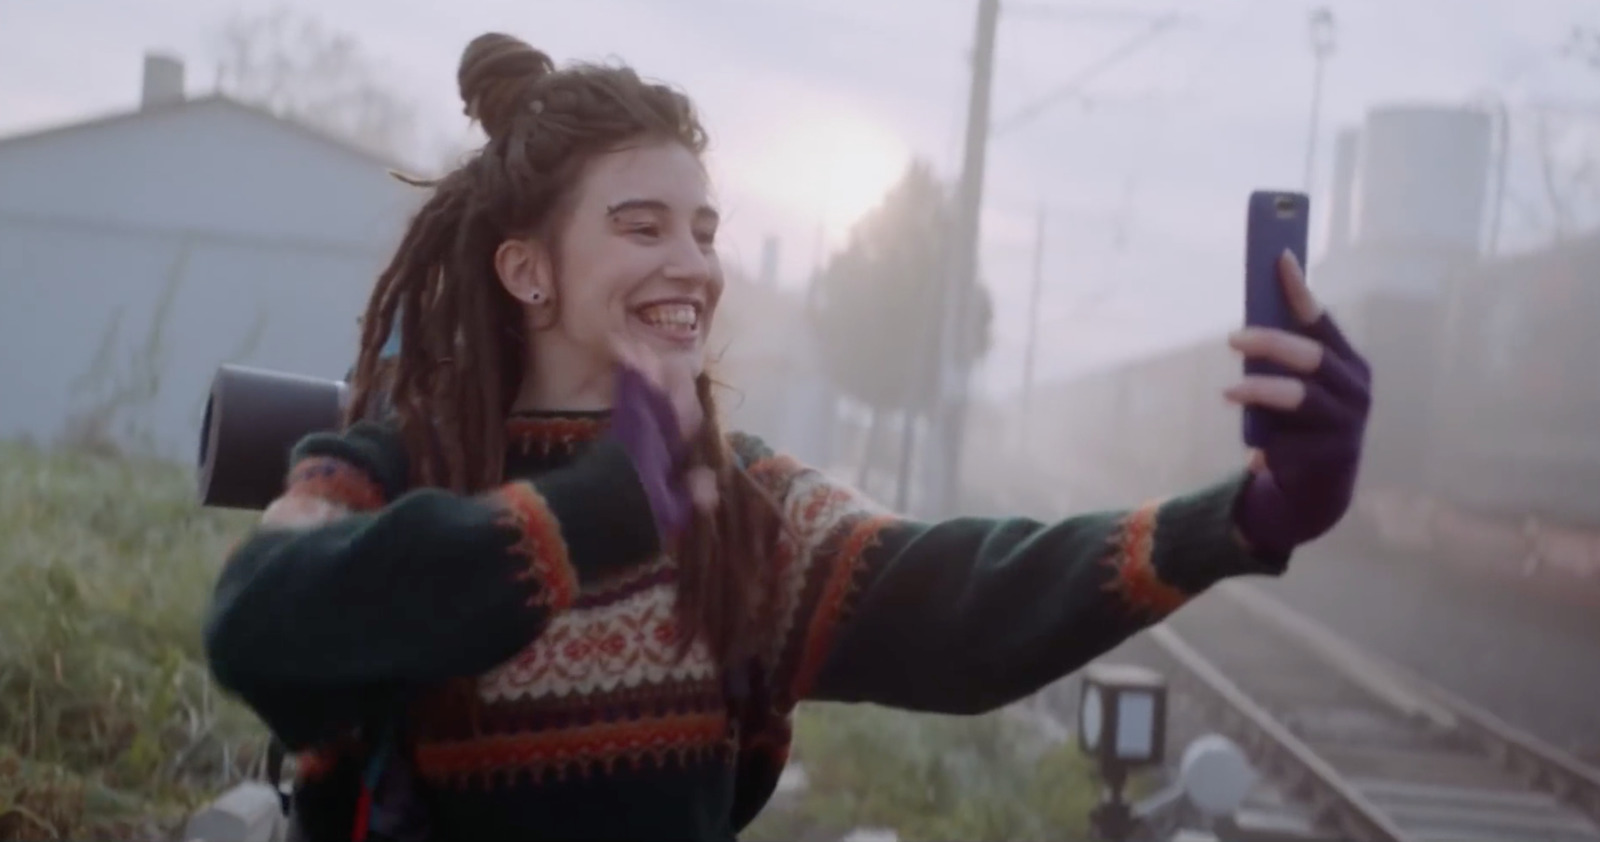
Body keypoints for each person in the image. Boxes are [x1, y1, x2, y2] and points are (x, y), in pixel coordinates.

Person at [202, 31, 1372, 842]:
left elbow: (958, 601)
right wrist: (597, 509)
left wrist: (1249, 512)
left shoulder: (738, 502)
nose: (693, 264)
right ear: (527, 269)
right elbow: (263, 619)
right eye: (641, 224)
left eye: (703, 228)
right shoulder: (395, 455)